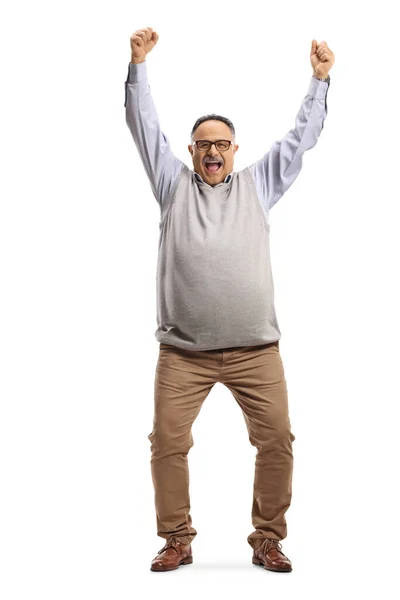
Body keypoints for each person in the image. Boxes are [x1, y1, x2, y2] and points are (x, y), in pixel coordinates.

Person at [124, 27, 334, 573]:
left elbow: (300, 139)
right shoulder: (172, 186)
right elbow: (144, 128)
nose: (213, 151)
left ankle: (267, 537)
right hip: (182, 354)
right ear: (191, 151)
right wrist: (138, 65)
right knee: (166, 444)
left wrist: (319, 80)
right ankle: (177, 537)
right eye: (203, 144)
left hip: (256, 351)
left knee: (279, 442)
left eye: (222, 143)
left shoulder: (259, 184)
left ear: (234, 151)